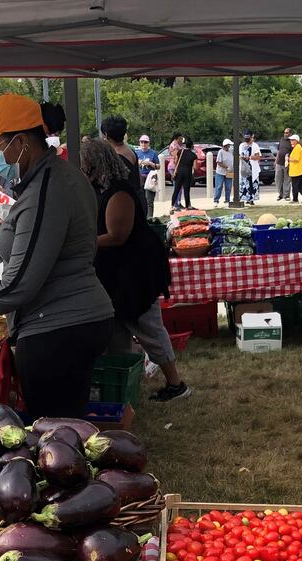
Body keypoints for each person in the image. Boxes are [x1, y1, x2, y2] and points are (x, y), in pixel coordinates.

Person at [0, 93, 114, 420]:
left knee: (54, 433)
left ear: (21, 142)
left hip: (58, 327)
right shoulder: (57, 178)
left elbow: (18, 284)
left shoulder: (48, 187)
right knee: (66, 428)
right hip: (70, 321)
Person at [80, 137, 191, 404]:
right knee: (116, 332)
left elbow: (118, 236)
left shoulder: (119, 192)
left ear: (95, 164)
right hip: (117, 275)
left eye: (85, 166)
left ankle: (177, 385)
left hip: (135, 274)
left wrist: (83, 242)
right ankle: (120, 390)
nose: (83, 171)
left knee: (149, 329)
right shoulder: (103, 189)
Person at [134, 133, 161, 213]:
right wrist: (140, 162)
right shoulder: (136, 153)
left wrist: (150, 163)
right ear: (139, 143)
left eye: (145, 142)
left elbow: (158, 166)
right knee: (140, 200)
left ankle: (149, 219)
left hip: (150, 178)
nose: (143, 144)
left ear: (148, 143)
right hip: (140, 178)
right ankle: (142, 218)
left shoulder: (153, 153)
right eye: (142, 142)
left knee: (149, 200)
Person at [170, 133, 195, 209]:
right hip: (187, 173)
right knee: (186, 190)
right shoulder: (193, 154)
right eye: (181, 138)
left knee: (177, 189)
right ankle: (187, 206)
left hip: (179, 171)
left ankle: (173, 205)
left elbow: (177, 160)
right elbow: (195, 166)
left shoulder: (180, 151)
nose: (181, 140)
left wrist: (177, 169)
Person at [239, 132, 261, 206]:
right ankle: (245, 199)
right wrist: (242, 157)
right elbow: (239, 154)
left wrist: (250, 157)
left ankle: (252, 199)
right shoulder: (241, 145)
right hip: (244, 167)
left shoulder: (255, 146)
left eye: (248, 137)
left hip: (252, 167)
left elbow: (258, 157)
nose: (247, 139)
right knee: (245, 183)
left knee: (252, 183)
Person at [287, 133, 302, 203]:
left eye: (292, 140)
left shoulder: (297, 148)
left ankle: (295, 199)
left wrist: (288, 159)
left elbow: (296, 159)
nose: (291, 141)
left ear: (296, 141)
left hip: (297, 170)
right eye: (291, 140)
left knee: (295, 186)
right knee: (300, 185)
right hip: (297, 170)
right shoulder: (296, 147)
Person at [214, 138, 234, 206]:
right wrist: (226, 167)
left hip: (229, 172)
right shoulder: (221, 152)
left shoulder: (231, 151)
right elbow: (219, 162)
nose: (229, 146)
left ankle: (227, 200)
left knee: (228, 187)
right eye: (228, 145)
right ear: (225, 145)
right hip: (220, 172)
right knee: (219, 186)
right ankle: (216, 200)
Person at [276, 126, 294, 200]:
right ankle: (280, 194)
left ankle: (286, 195)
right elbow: (278, 151)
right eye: (284, 133)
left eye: (287, 133)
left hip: (287, 163)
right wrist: (275, 161)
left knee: (287, 179)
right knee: (278, 179)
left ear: (290, 133)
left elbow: (293, 153)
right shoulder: (282, 140)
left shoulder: (291, 141)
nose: (285, 134)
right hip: (279, 163)